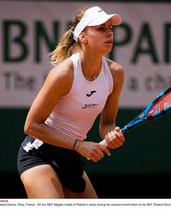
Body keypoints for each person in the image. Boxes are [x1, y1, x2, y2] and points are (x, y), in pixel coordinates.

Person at [17, 6, 125, 198]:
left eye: (110, 28)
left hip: (72, 156)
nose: (109, 32)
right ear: (83, 36)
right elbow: (31, 125)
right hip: (39, 153)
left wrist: (111, 135)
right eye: (101, 28)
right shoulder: (64, 74)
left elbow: (107, 124)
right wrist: (78, 145)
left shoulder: (116, 73)